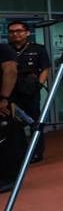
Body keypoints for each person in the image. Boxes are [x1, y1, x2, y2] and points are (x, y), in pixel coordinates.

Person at [6, 20, 50, 162]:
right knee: (14, 123)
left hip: (31, 91)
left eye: (19, 31)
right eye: (12, 32)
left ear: (27, 33)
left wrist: (38, 85)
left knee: (34, 122)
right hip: (11, 91)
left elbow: (45, 69)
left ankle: (37, 152)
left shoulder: (38, 49)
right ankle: (20, 153)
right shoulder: (6, 50)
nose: (15, 34)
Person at [0, 41, 19, 191]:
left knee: (4, 140)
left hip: (1, 103)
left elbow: (11, 71)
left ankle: (9, 179)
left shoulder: (3, 49)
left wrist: (4, 98)